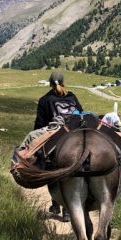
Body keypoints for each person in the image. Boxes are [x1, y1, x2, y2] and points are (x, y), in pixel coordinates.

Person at [35, 71, 83, 221]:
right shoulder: (72, 96)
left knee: (49, 165)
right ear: (63, 82)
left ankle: (58, 204)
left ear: (50, 83)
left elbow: (40, 124)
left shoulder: (44, 100)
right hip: (76, 132)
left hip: (56, 135)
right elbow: (81, 113)